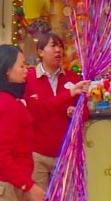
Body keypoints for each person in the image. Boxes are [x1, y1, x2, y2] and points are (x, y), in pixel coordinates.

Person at [24, 33, 90, 191]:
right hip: (37, 154)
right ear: (40, 52)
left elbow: (86, 112)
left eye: (60, 46)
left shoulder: (72, 78)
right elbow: (36, 111)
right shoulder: (29, 79)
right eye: (53, 46)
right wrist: (68, 94)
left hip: (65, 154)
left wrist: (77, 113)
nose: (58, 50)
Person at [0, 44, 45, 201]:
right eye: (22, 65)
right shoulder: (5, 103)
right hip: (5, 188)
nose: (26, 70)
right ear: (7, 70)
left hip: (14, 184)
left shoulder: (12, 99)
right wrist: (27, 185)